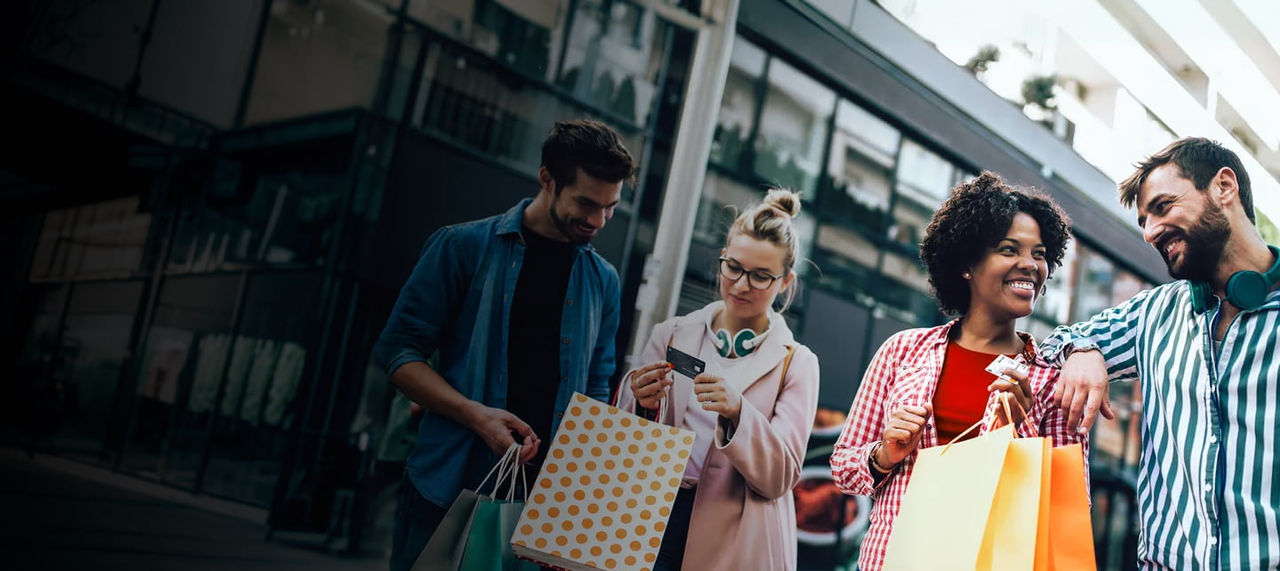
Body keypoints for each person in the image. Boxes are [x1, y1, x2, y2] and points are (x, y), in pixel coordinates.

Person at [373, 120, 634, 571]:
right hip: (448, 484)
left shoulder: (603, 280)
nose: (597, 221)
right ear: (547, 179)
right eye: (586, 203)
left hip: (545, 509)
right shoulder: (461, 248)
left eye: (610, 208)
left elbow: (596, 384)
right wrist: (475, 416)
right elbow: (397, 354)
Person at [830, 172, 1088, 571]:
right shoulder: (902, 352)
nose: (1029, 265)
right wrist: (886, 453)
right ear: (967, 264)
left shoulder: (1053, 380)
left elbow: (1069, 505)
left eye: (1039, 254)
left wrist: (1019, 433)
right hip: (892, 557)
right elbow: (845, 468)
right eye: (1009, 249)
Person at [1044, 137, 1280, 569]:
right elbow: (1049, 347)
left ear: (1224, 187)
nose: (1150, 232)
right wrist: (1082, 350)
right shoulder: (1153, 312)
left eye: (1163, 206)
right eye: (1144, 220)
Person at [616, 189, 820, 571]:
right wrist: (640, 401)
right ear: (722, 258)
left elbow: (781, 476)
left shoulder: (798, 363)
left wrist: (738, 412)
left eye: (761, 276)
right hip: (647, 519)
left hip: (736, 540)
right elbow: (625, 440)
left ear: (786, 281)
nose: (741, 285)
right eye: (734, 267)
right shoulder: (672, 334)